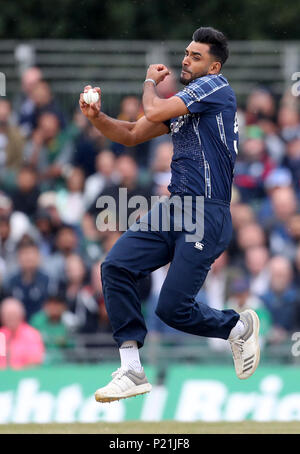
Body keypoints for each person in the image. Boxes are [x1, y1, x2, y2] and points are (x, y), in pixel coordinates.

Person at [79, 26, 260, 403]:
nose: (185, 59)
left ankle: (237, 326)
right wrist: (96, 118)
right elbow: (130, 133)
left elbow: (153, 108)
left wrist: (149, 82)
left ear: (214, 67)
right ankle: (131, 367)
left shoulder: (216, 87)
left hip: (207, 212)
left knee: (172, 309)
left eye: (195, 56)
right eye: (186, 53)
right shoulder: (188, 102)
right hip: (174, 208)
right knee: (115, 267)